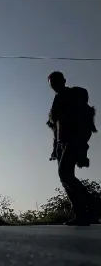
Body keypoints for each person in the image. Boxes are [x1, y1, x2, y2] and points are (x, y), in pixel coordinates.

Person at [47, 71, 99, 226]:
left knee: (65, 174)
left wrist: (82, 146)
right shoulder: (56, 102)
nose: (55, 86)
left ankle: (92, 206)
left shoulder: (75, 95)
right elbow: (56, 127)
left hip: (74, 139)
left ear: (63, 81)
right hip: (61, 144)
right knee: (65, 179)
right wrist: (55, 147)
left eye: (57, 82)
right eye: (52, 84)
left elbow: (83, 121)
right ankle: (83, 215)